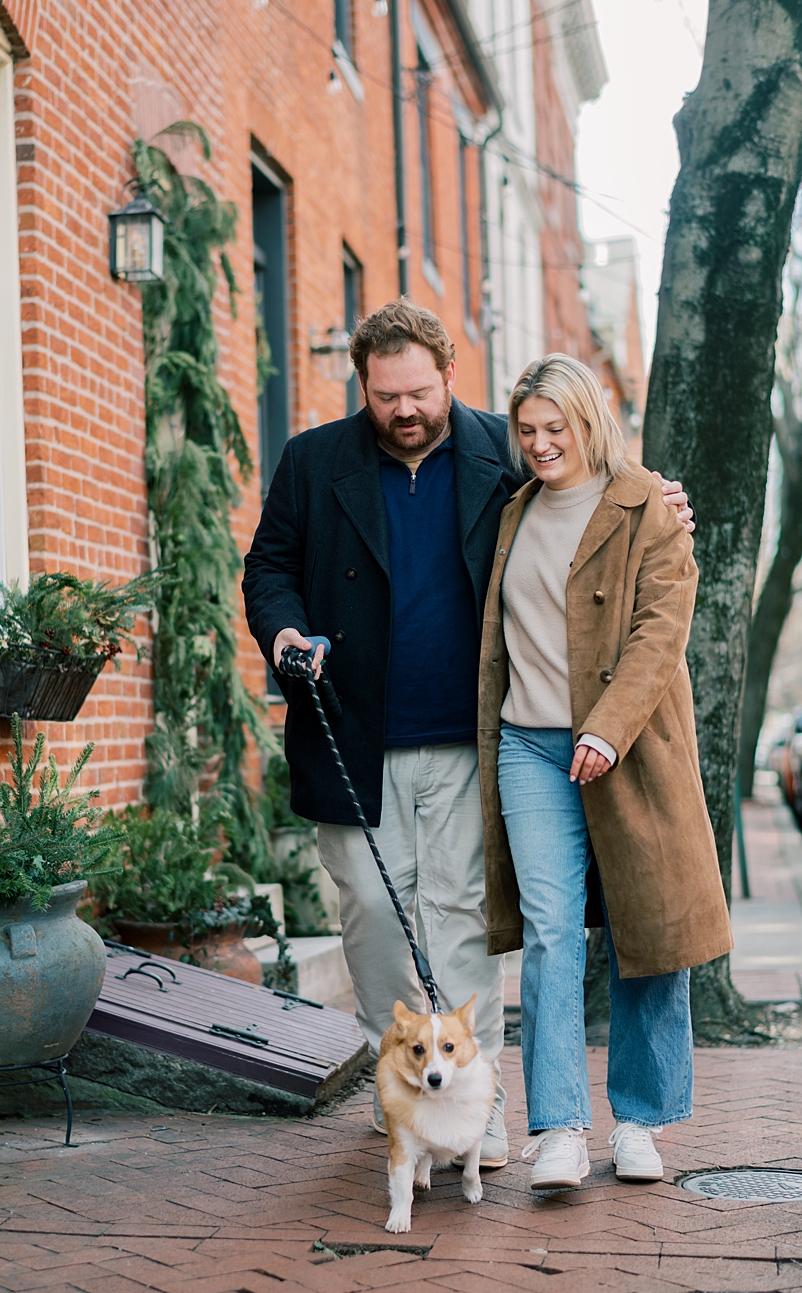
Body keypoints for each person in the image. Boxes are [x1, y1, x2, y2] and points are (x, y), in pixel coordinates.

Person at [241, 300, 692, 1168]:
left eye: (417, 392)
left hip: (471, 738)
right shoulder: (312, 461)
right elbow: (269, 567)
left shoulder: (504, 452)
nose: (403, 412)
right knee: (373, 913)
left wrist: (661, 503)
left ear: (449, 377)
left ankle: (475, 1104)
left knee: (456, 918)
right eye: (384, 397)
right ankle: (400, 1083)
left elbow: (593, 495)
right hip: (353, 735)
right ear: (362, 386)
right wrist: (285, 632)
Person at [475, 353, 731, 1191]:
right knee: (550, 932)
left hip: (626, 748)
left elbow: (663, 631)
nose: (544, 445)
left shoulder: (648, 509)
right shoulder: (512, 513)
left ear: (591, 423)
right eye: (529, 431)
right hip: (530, 747)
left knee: (643, 930)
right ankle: (556, 1128)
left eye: (559, 428)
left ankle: (641, 1122)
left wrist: (611, 730)